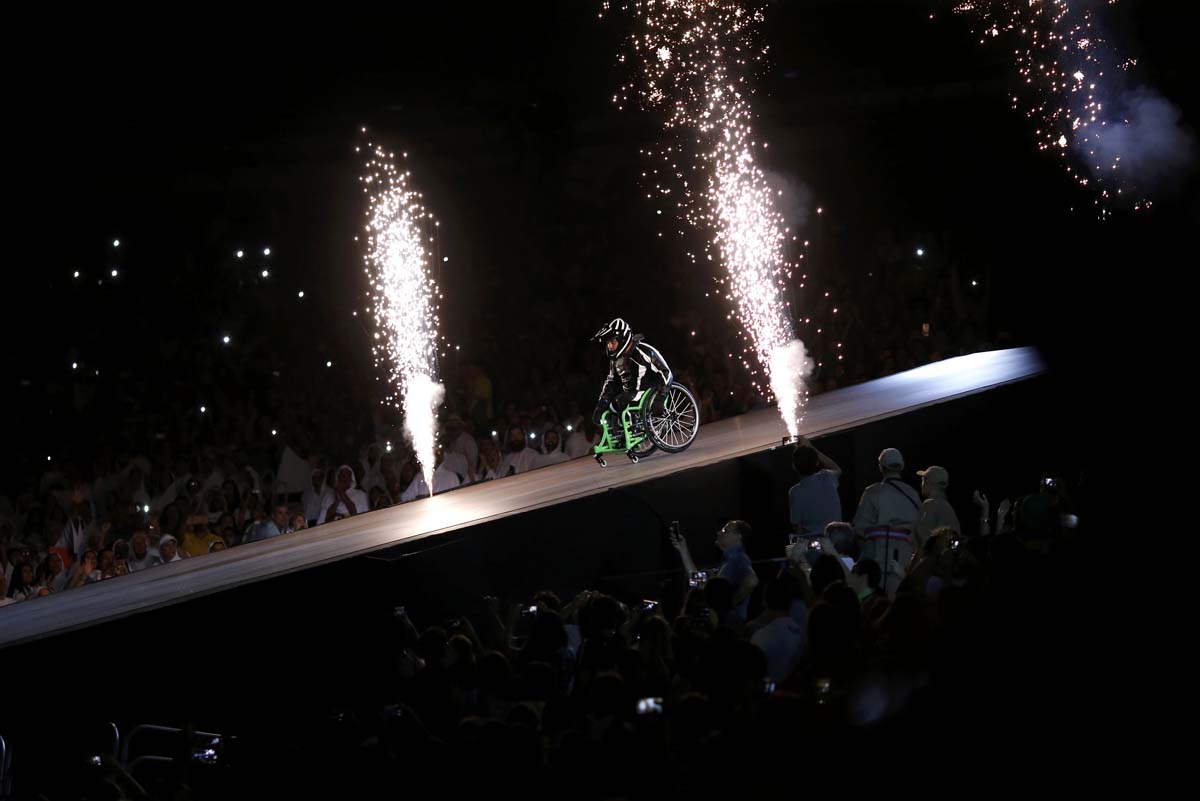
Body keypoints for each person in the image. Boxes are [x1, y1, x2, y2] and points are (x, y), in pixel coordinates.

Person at [590, 318, 673, 449]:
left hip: (649, 390)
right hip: (631, 393)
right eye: (608, 343)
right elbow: (611, 382)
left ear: (622, 339)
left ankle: (634, 432)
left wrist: (661, 397)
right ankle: (621, 436)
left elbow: (666, 372)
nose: (609, 346)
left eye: (612, 342)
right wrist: (601, 404)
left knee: (622, 400)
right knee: (612, 406)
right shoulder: (615, 359)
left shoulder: (643, 351)